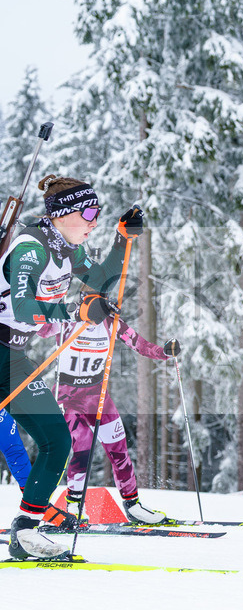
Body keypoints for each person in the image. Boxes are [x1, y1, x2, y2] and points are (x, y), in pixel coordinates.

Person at [2, 174, 142, 559]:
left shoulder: (67, 249)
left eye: (98, 213)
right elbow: (24, 305)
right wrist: (72, 309)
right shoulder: (31, 248)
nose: (94, 220)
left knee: (56, 440)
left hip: (11, 357)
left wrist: (122, 239)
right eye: (89, 212)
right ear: (63, 215)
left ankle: (26, 533)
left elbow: (99, 279)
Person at [37, 302, 181, 527]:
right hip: (68, 397)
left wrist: (164, 353)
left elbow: (140, 344)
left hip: (98, 397)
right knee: (82, 448)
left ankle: (133, 506)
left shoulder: (111, 323)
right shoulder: (67, 320)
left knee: (118, 450)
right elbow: (41, 329)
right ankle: (74, 505)